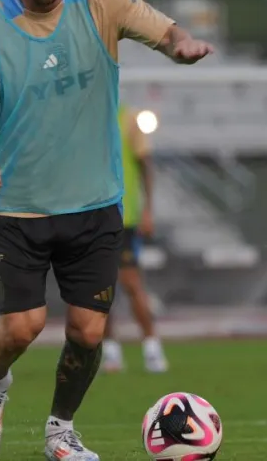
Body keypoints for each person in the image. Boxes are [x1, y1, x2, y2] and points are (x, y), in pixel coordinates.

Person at [0, 0, 213, 459]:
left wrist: (182, 46)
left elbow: (164, 30)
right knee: (23, 327)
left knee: (89, 331)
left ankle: (60, 430)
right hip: (19, 206)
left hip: (95, 202)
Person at [101, 105, 168, 374]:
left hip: (123, 218)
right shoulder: (80, 119)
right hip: (90, 220)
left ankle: (152, 347)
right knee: (99, 290)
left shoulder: (127, 119)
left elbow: (145, 165)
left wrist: (148, 210)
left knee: (131, 284)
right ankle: (110, 353)